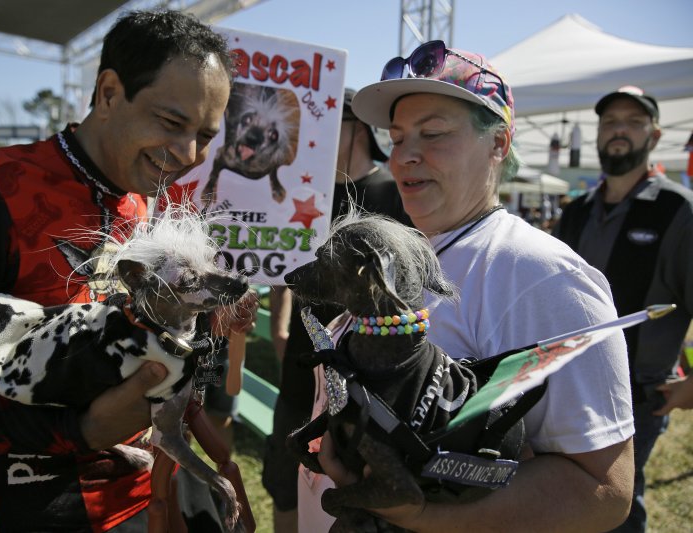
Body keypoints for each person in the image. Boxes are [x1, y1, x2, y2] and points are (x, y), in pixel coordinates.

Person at [0, 10, 257, 532]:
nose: (188, 154)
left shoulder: (162, 199)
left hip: (151, 502)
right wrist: (77, 429)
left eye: (204, 134)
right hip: (18, 513)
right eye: (172, 123)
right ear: (108, 93)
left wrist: (210, 322)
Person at [309, 40, 635, 531]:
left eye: (433, 134)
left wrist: (419, 512)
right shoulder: (412, 252)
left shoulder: (539, 275)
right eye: (396, 139)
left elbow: (604, 490)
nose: (405, 157)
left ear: (499, 144)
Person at [262, 87, 412, 533]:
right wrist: (279, 326)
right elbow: (281, 265)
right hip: (300, 364)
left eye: (326, 128)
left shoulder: (394, 193)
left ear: (357, 128)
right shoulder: (306, 194)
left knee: (347, 489)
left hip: (364, 374)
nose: (315, 140)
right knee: (283, 475)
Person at [553, 85, 693, 533]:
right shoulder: (576, 212)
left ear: (654, 135)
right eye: (610, 121)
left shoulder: (678, 210)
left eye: (633, 122)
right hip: (566, 383)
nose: (619, 130)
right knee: (568, 499)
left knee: (617, 507)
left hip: (637, 393)